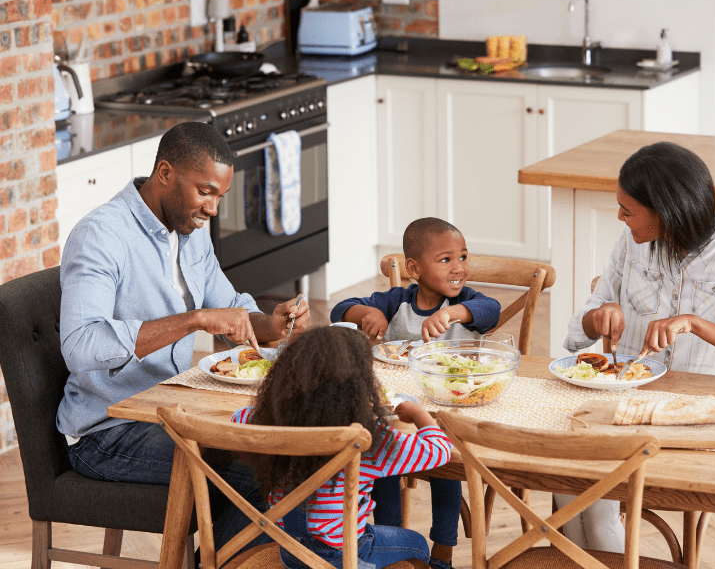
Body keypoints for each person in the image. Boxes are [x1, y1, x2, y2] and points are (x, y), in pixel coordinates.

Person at [57, 121, 310, 553]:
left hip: (171, 408)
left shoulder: (190, 233)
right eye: (205, 191)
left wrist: (275, 323)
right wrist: (193, 320)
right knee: (267, 469)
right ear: (166, 173)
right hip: (108, 432)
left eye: (219, 196)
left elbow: (232, 312)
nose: (212, 208)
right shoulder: (100, 236)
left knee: (290, 447)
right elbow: (80, 346)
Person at [560, 140, 715, 551]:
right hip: (629, 402)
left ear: (667, 211)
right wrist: (598, 316)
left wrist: (696, 325)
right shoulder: (630, 241)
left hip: (701, 413)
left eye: (627, 210)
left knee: (590, 481)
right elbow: (578, 331)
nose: (619, 217)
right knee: (566, 470)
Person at [330, 217, 502, 569]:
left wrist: (455, 313)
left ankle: (443, 550)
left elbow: (492, 310)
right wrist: (370, 311)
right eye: (445, 260)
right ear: (414, 268)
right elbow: (339, 309)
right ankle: (392, 542)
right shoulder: (397, 301)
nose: (459, 268)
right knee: (383, 462)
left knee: (445, 465)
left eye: (463, 257)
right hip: (396, 408)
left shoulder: (469, 302)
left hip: (449, 407)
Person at [231, 326, 452, 569]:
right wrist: (421, 414)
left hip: (290, 551)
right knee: (417, 544)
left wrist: (273, 405)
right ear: (360, 385)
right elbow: (439, 450)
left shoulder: (264, 423)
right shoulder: (368, 439)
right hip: (345, 555)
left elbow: (238, 416)